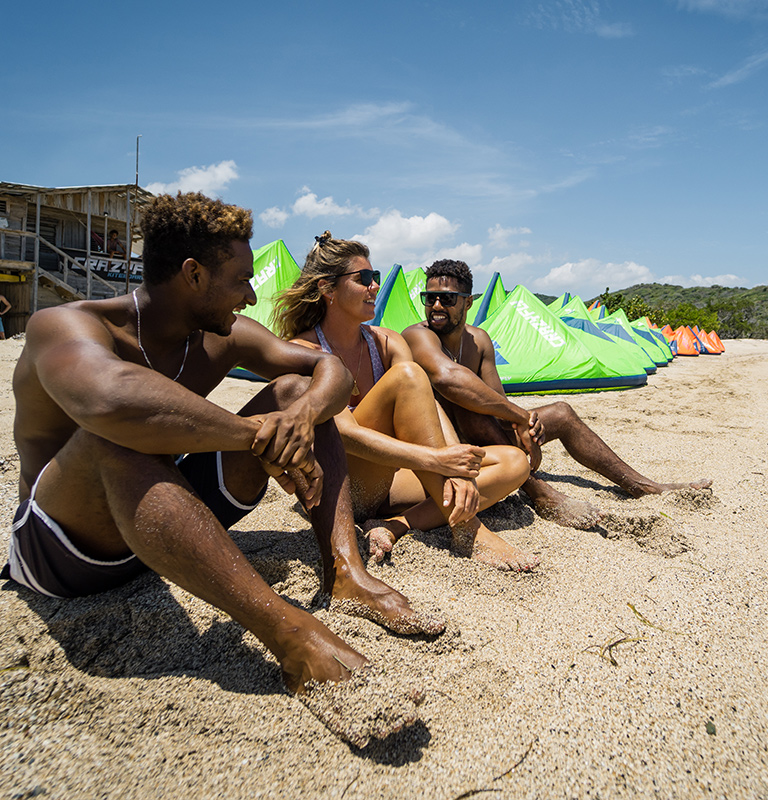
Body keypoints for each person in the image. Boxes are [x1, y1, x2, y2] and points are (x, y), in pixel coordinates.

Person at [2, 194, 443, 715]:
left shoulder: (223, 336)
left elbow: (332, 372)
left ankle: (346, 571)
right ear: (193, 274)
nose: (253, 296)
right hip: (66, 549)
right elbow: (110, 400)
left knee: (294, 395)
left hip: (168, 527)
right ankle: (291, 635)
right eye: (241, 280)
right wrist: (255, 435)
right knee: (112, 434)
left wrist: (297, 420)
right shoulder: (67, 325)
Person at [273, 233, 535, 572]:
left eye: (375, 278)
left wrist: (454, 464)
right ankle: (467, 528)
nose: (374, 287)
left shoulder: (386, 341)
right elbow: (346, 436)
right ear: (328, 289)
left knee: (514, 462)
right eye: (363, 279)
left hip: (390, 480)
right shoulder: (304, 352)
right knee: (408, 376)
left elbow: (427, 406)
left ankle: (397, 525)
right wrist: (437, 460)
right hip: (340, 487)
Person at [403, 259, 712, 529]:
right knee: (467, 405)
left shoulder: (479, 340)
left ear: (468, 302)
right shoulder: (418, 335)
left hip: (482, 436)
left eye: (446, 298)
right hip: (442, 442)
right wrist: (522, 417)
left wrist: (526, 429)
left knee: (562, 413)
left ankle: (641, 485)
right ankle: (539, 493)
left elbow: (496, 401)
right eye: (429, 299)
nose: (436, 307)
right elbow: (449, 380)